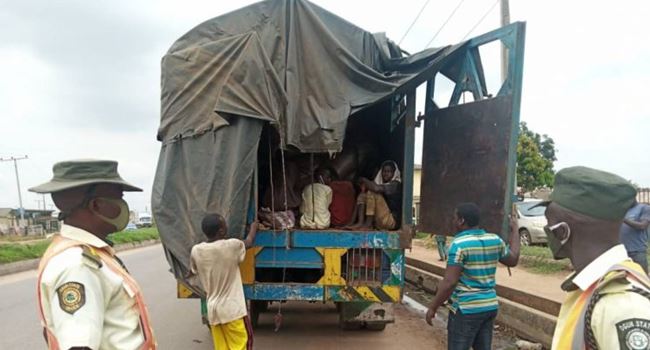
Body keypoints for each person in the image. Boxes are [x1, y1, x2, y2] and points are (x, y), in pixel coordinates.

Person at [30, 159, 156, 350]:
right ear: (97, 205)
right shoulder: (77, 265)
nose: (124, 206)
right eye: (119, 198)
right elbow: (78, 346)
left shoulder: (88, 252)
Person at [536, 166, 650, 350]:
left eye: (549, 223)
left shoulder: (621, 306)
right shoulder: (593, 286)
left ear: (562, 231)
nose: (547, 229)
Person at [425, 203, 520, 350]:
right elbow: (513, 260)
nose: (452, 221)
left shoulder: (459, 245)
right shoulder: (494, 240)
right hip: (489, 306)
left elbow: (450, 282)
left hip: (466, 308)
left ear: (461, 221)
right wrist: (515, 230)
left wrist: (433, 307)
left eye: (454, 218)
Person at [190, 214, 256, 350]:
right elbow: (248, 242)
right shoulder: (231, 246)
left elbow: (192, 270)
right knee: (241, 345)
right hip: (233, 311)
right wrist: (254, 228)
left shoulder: (196, 251)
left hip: (213, 311)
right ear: (221, 231)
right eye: (225, 224)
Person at [347, 160, 402, 230]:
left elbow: (376, 188)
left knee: (372, 192)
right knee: (362, 195)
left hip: (391, 221)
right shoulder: (381, 183)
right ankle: (359, 222)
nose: (386, 174)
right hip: (380, 221)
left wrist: (363, 180)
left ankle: (368, 224)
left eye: (389, 172)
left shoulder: (395, 184)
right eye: (384, 171)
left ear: (394, 173)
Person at [619, 200, 650, 273]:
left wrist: (623, 219)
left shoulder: (644, 208)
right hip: (622, 252)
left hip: (637, 251)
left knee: (641, 278)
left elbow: (642, 226)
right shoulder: (623, 211)